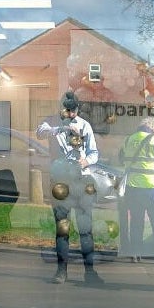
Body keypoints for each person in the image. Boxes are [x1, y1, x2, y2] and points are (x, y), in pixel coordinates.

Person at [36, 90, 102, 284]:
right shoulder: (51, 122)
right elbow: (40, 132)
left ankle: (89, 273)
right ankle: (61, 271)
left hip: (81, 180)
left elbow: (94, 152)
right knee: (62, 228)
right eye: (68, 111)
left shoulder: (85, 125)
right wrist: (61, 129)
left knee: (85, 229)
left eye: (75, 111)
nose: (72, 114)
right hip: (61, 180)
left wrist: (86, 161)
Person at [118, 116, 154, 262]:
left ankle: (135, 254)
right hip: (152, 189)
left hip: (132, 188)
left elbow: (121, 159)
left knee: (136, 222)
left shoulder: (128, 140)